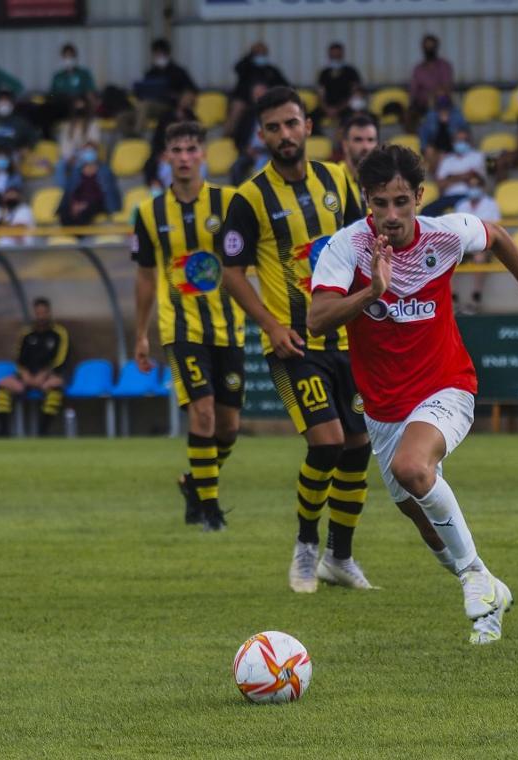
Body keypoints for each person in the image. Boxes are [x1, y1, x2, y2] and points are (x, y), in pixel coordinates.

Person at [307, 143, 518, 644]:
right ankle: (489, 595)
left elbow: (500, 238)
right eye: (380, 203)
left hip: (447, 386)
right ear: (367, 201)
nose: (391, 215)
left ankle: (474, 577)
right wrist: (371, 294)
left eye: (401, 202)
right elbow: (316, 320)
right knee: (423, 516)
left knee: (413, 468)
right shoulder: (347, 248)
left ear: (420, 197)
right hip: (384, 409)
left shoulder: (446, 233)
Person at [220, 86, 373, 593]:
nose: (285, 134)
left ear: (308, 126)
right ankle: (307, 546)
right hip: (292, 345)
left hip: (348, 340)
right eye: (273, 127)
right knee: (326, 442)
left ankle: (340, 557)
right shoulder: (249, 198)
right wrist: (271, 325)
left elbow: (360, 246)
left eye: (292, 123)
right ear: (261, 135)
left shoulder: (337, 180)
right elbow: (233, 274)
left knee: (358, 446)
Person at [133, 121, 246, 531]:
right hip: (180, 330)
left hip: (228, 327)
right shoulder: (149, 213)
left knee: (229, 427)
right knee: (202, 415)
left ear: (203, 155)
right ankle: (211, 511)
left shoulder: (231, 203)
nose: (183, 157)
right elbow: (145, 277)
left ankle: (194, 482)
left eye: (191, 149)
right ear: (166, 157)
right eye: (176, 150)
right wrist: (141, 334)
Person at [0, 297, 71, 437]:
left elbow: (61, 359)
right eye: (38, 313)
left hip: (50, 374)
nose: (41, 316)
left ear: (49, 313)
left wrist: (45, 373)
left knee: (55, 386)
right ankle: (3, 432)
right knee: (2, 385)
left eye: (44, 313)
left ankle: (43, 432)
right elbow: (19, 359)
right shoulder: (27, 333)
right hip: (27, 375)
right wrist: (24, 374)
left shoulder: (59, 333)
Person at [125, 39, 196, 138]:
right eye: (156, 54)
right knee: (123, 116)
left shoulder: (178, 72)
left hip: (168, 106)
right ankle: (127, 142)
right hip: (149, 107)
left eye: (160, 54)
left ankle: (136, 135)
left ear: (167, 54)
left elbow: (191, 89)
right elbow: (141, 91)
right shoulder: (150, 73)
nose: (158, 57)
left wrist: (178, 98)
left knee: (144, 106)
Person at [454, 172, 501, 314]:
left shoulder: (491, 204)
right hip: (464, 245)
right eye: (471, 186)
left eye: (476, 185)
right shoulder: (461, 205)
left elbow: (494, 228)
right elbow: (457, 228)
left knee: (479, 258)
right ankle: (452, 300)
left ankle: (476, 298)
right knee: (446, 258)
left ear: (482, 187)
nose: (473, 188)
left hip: (484, 244)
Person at [225, 42, 289, 135]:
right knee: (237, 107)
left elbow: (285, 86)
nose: (260, 56)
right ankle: (227, 135)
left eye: (263, 54)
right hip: (246, 100)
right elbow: (237, 68)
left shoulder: (272, 70)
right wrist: (249, 56)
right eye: (258, 54)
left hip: (269, 100)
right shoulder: (246, 68)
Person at [36, 43, 97, 138]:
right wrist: (51, 97)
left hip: (79, 105)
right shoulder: (58, 76)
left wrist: (87, 103)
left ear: (75, 58)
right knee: (43, 110)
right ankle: (47, 138)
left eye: (71, 56)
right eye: (66, 56)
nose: (68, 59)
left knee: (76, 102)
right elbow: (52, 94)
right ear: (62, 58)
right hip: (61, 106)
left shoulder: (83, 74)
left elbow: (90, 93)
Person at [423, 128, 486, 217]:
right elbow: (440, 184)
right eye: (459, 140)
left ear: (470, 141)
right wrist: (464, 176)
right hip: (448, 197)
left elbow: (476, 178)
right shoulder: (447, 160)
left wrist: (450, 177)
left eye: (464, 140)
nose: (461, 142)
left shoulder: (477, 156)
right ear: (453, 142)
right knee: (426, 211)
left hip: (468, 196)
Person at [56, 141, 120, 226]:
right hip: (80, 202)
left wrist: (85, 204)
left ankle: (79, 235)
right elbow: (72, 191)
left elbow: (104, 194)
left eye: (91, 150)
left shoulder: (104, 171)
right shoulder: (77, 171)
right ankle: (70, 234)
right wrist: (75, 203)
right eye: (86, 150)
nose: (88, 153)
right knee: (65, 212)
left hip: (95, 203)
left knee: (86, 211)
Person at [145, 87, 198, 185]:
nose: (189, 99)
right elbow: (157, 139)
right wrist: (162, 153)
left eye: (192, 98)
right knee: (151, 164)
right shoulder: (166, 117)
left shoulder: (193, 119)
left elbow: (197, 141)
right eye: (187, 97)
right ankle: (156, 188)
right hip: (166, 151)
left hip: (186, 153)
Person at [407, 34, 454, 132]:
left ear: (436, 47)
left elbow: (446, 87)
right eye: (426, 47)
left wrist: (432, 97)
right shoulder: (418, 69)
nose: (429, 49)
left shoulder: (444, 66)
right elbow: (414, 90)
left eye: (431, 47)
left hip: (440, 103)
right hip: (421, 106)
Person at [229, 82, 272, 186]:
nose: (259, 97)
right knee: (236, 167)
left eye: (261, 94)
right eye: (256, 94)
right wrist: (246, 149)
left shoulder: (276, 114)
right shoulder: (247, 115)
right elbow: (237, 139)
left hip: (269, 152)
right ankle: (238, 196)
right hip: (249, 152)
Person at [54, 95, 101, 188]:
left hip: (87, 153)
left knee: (80, 162)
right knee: (59, 165)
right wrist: (69, 157)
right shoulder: (67, 126)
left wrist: (83, 150)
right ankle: (63, 192)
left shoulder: (93, 123)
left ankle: (76, 190)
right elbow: (65, 145)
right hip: (72, 154)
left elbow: (94, 143)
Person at [417, 94, 468, 173]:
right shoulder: (431, 116)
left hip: (453, 149)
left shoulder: (457, 116)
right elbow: (424, 140)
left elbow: (464, 136)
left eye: (446, 108)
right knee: (429, 152)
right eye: (441, 109)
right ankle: (436, 175)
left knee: (460, 147)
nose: (443, 111)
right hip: (436, 151)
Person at [316, 42, 363, 127]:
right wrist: (326, 108)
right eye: (333, 56)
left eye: (337, 56)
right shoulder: (324, 72)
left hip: (346, 106)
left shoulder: (351, 71)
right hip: (327, 107)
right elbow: (320, 93)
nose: (335, 59)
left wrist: (338, 109)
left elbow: (355, 92)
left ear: (342, 55)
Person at [339, 112, 379, 201]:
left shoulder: (384, 179)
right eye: (358, 140)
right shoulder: (334, 178)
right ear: (345, 145)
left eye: (370, 140)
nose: (365, 147)